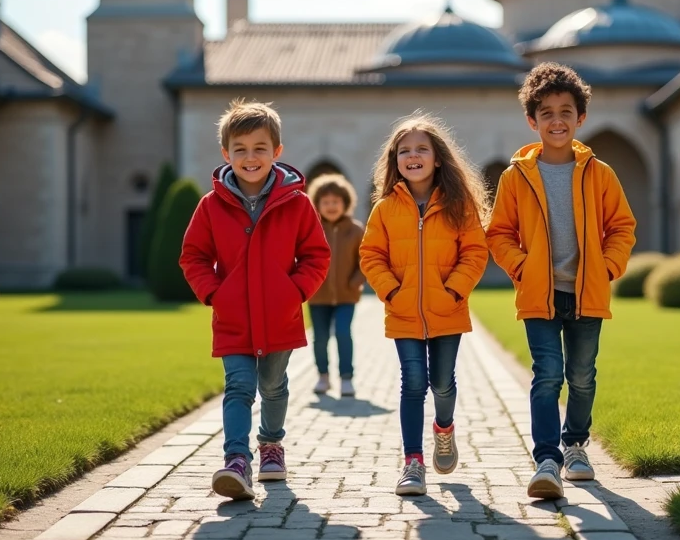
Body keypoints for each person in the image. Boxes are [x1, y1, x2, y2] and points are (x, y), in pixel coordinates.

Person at [486, 63, 636, 500]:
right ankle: (547, 458)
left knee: (583, 376)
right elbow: (499, 233)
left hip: (587, 292)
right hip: (540, 294)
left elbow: (622, 226)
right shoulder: (516, 177)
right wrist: (521, 266)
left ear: (580, 118)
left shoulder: (600, 173)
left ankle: (575, 446)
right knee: (547, 375)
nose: (556, 120)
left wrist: (607, 267)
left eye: (566, 111)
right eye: (546, 113)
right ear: (532, 121)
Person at [179, 99, 331, 501]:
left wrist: (295, 291)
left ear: (276, 152)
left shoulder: (297, 203)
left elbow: (316, 255)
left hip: (280, 316)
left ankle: (271, 446)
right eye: (240, 149)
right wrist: (214, 293)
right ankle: (236, 460)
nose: (250, 157)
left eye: (260, 148)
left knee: (274, 387)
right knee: (239, 387)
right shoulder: (211, 207)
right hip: (234, 318)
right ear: (226, 153)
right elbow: (193, 256)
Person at [360, 112, 489, 497]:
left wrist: (454, 289)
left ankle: (444, 429)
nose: (412, 155)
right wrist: (392, 292)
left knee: (442, 383)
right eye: (404, 150)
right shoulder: (385, 209)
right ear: (394, 160)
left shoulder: (458, 205)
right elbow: (371, 255)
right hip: (403, 312)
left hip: (448, 310)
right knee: (413, 383)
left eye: (421, 149)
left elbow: (475, 252)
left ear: (437, 158)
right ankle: (413, 463)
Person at [307, 172, 366, 398]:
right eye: (326, 202)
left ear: (345, 203)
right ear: (318, 204)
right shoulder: (311, 229)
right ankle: (323, 376)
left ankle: (346, 378)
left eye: (336, 202)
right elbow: (301, 257)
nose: (331, 206)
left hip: (346, 295)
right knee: (320, 337)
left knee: (343, 333)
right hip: (317, 296)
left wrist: (356, 280)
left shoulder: (356, 230)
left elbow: (366, 260)